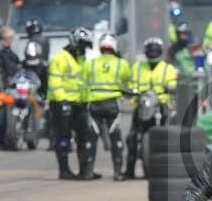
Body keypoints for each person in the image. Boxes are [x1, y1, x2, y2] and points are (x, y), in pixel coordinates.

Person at [125, 38, 177, 179]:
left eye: (155, 50)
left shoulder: (168, 68)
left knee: (171, 135)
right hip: (142, 104)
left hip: (161, 104)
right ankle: (129, 171)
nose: (153, 53)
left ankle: (172, 167)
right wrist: (131, 90)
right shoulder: (137, 67)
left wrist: (171, 89)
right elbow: (131, 84)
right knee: (132, 137)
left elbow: (173, 84)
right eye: (150, 50)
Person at [83, 32, 132, 181]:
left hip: (94, 104)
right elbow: (127, 80)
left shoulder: (90, 63)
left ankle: (88, 172)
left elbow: (84, 81)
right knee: (116, 137)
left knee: (91, 138)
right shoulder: (121, 63)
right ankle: (117, 173)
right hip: (112, 104)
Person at [48, 26, 93, 180]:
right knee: (63, 136)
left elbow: (85, 82)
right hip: (62, 103)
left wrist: (87, 101)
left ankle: (85, 170)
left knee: (84, 135)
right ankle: (64, 169)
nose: (84, 49)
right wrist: (63, 101)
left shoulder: (83, 60)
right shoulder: (59, 58)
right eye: (82, 45)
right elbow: (54, 81)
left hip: (79, 103)